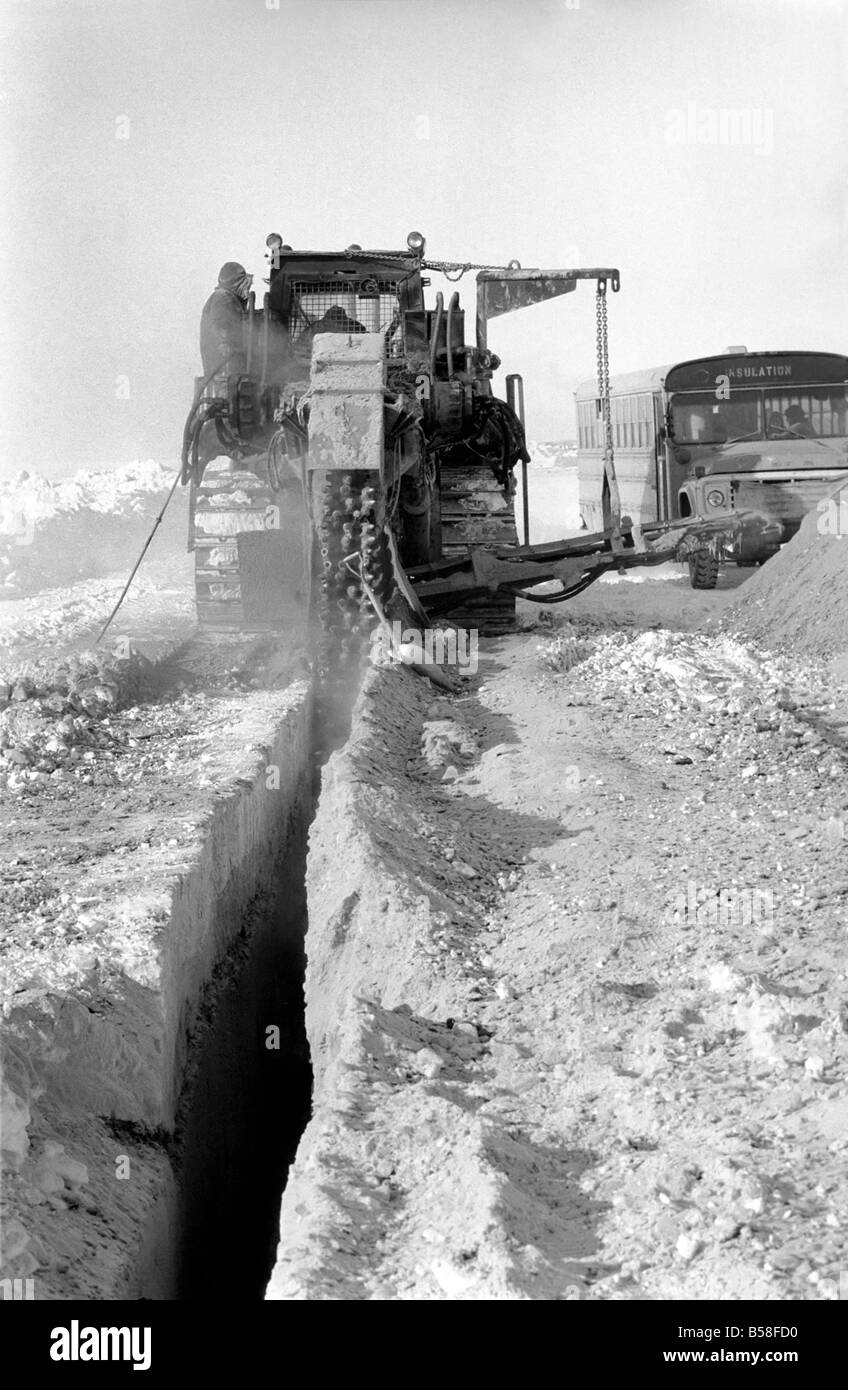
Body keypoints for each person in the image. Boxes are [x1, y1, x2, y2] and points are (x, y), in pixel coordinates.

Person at [199, 262, 254, 377]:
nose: (247, 289)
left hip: (223, 364)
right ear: (237, 283)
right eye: (246, 285)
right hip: (224, 365)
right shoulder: (223, 297)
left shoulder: (227, 297)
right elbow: (222, 326)